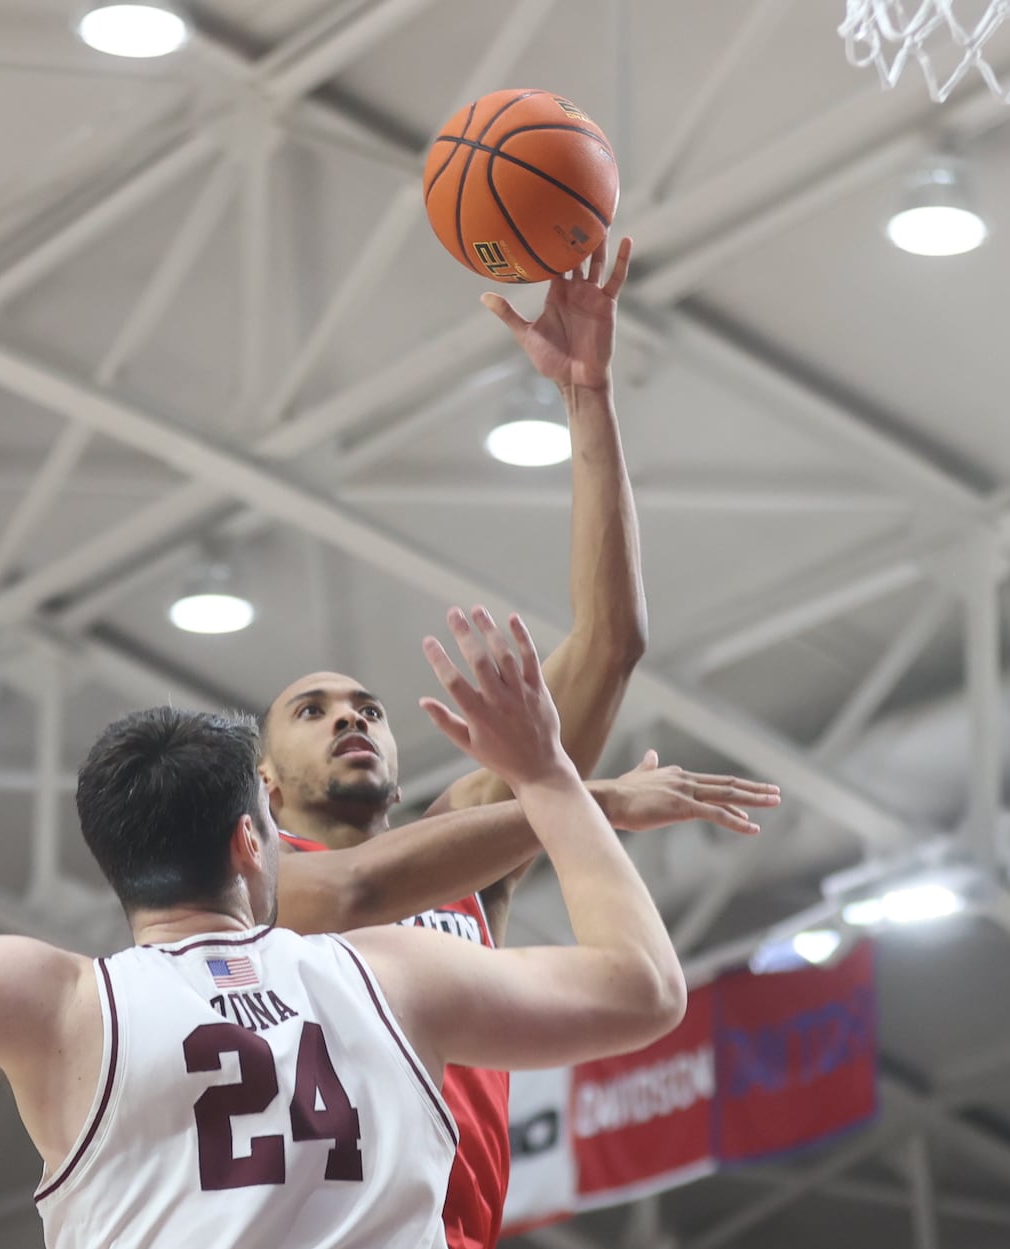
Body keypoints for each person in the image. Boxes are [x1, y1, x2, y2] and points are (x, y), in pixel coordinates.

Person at [0, 608, 719, 1249]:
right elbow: (642, 987)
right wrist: (550, 779)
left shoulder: (59, 1006)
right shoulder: (393, 969)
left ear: (108, 859)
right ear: (255, 844)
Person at [259, 236, 706, 1249]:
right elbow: (359, 890)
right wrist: (586, 805)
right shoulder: (259, 887)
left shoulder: (466, 848)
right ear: (263, 779)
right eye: (314, 708)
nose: (352, 717)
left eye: (368, 706)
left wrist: (587, 398)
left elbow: (610, 645)